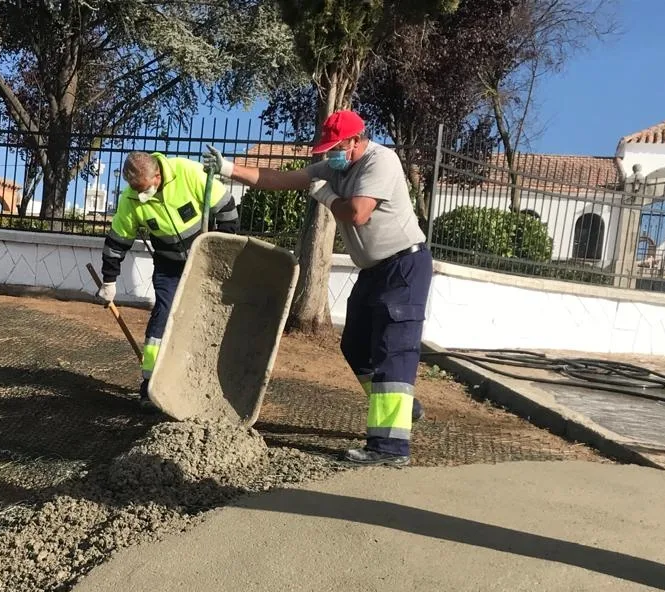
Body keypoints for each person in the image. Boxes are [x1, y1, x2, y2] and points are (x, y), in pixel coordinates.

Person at [203, 110, 430, 467]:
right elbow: (281, 178)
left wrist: (324, 196)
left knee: (392, 350)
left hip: (403, 266)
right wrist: (231, 170)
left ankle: (389, 447)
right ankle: (401, 412)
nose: (329, 156)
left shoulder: (381, 162)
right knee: (355, 345)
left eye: (336, 148)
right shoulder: (336, 167)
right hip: (372, 270)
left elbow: (358, 212)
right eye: (326, 149)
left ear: (356, 140)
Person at [98, 150, 240, 406]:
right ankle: (151, 385)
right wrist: (109, 280)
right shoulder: (131, 199)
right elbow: (117, 242)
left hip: (205, 261)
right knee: (164, 313)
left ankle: (205, 382)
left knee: (206, 318)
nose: (141, 196)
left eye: (145, 189)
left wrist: (223, 251)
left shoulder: (188, 172)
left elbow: (227, 209)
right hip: (168, 265)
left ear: (158, 175)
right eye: (136, 190)